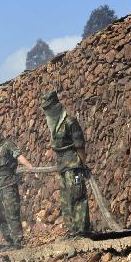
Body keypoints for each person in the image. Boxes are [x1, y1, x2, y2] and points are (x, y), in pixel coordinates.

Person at [40, 90, 91, 237]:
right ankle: (72, 230)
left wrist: (83, 164)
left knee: (78, 194)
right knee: (66, 199)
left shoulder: (70, 122)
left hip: (74, 167)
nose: (47, 111)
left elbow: (80, 146)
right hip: (62, 167)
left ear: (56, 106)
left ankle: (82, 230)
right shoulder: (54, 125)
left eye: (49, 107)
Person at [0, 124, 34, 248]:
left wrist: (30, 167)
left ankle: (18, 241)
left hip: (9, 184)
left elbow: (19, 156)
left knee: (12, 212)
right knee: (0, 216)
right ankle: (9, 241)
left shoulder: (7, 145)